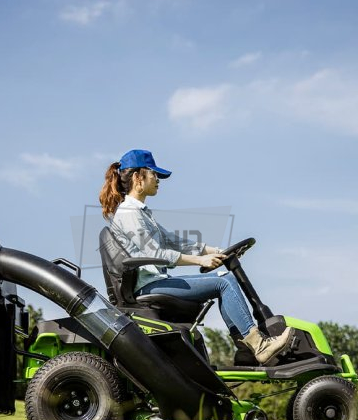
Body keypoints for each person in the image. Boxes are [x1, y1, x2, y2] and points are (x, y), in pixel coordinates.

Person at [98, 149, 293, 364]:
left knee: (225, 280)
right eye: (154, 174)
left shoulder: (141, 213)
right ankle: (258, 345)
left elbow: (174, 241)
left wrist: (214, 250)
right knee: (223, 283)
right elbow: (154, 253)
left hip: (156, 282)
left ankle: (247, 351)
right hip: (149, 286)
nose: (158, 180)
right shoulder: (129, 213)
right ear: (138, 177)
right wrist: (200, 261)